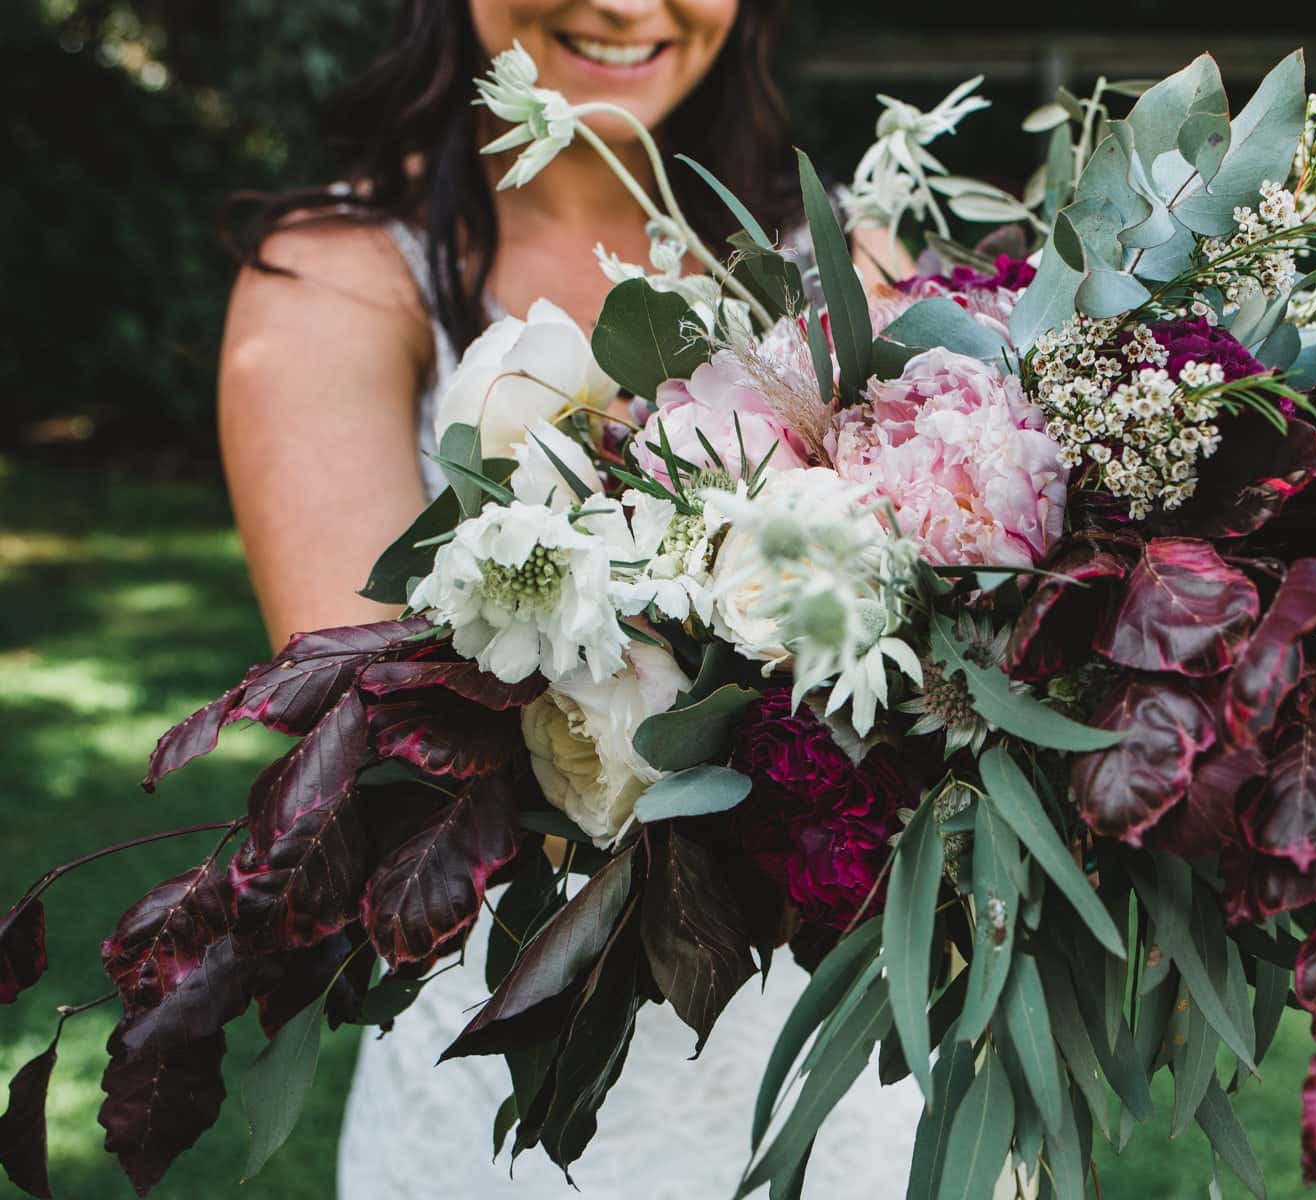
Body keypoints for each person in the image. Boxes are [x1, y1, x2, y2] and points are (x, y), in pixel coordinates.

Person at [218, 2, 918, 1195]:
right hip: (519, 1081)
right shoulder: (332, 283)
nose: (628, 6)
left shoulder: (846, 269)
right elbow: (388, 728)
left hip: (836, 1072)